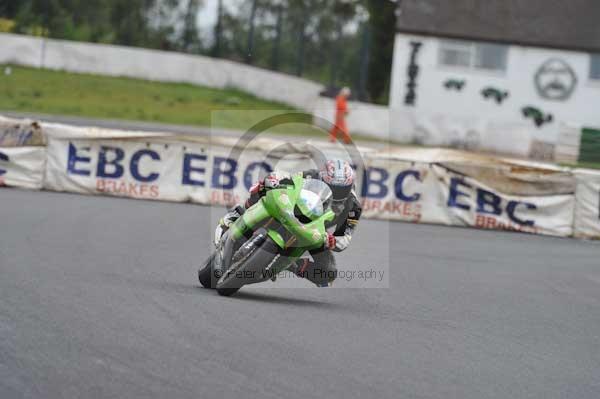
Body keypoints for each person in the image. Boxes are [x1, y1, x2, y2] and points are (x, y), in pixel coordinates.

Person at [214, 159, 362, 287]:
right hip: (292, 208)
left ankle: (293, 265)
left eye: (341, 190)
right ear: (323, 179)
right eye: (331, 187)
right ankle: (237, 214)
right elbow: (288, 178)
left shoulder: (353, 207)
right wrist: (273, 180)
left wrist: (333, 241)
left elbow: (345, 237)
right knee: (265, 187)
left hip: (314, 231)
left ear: (349, 187)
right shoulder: (313, 175)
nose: (335, 192)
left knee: (328, 273)